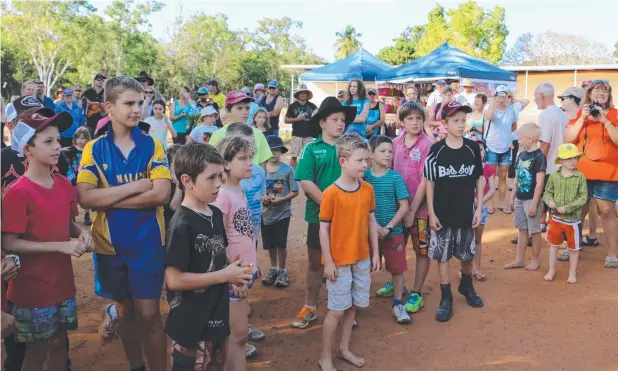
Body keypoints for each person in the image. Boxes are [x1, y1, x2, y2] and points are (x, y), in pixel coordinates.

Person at [77, 76, 171, 371]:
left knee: (149, 315)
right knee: (124, 314)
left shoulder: (153, 145)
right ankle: (136, 367)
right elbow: (85, 198)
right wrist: (136, 186)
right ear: (109, 107)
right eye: (129, 103)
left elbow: (161, 195)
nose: (137, 110)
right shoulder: (93, 149)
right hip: (108, 248)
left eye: (140, 103)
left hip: (148, 246)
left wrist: (108, 199)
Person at [1, 105, 93, 371]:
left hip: (62, 283)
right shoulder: (18, 193)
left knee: (58, 343)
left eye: (58, 140)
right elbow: (9, 242)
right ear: (27, 149)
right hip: (32, 288)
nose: (57, 147)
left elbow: (66, 223)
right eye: (48, 141)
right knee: (35, 351)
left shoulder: (63, 183)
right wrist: (62, 246)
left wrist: (81, 232)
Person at [164, 142, 253, 370]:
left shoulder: (214, 212)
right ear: (187, 181)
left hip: (216, 317)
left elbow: (217, 256)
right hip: (191, 327)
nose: (218, 185)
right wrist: (225, 275)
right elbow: (174, 280)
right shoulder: (181, 225)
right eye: (211, 178)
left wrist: (235, 272)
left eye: (220, 177)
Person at [292, 97, 356, 329]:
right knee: (315, 263)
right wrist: (330, 205)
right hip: (319, 217)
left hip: (350, 217)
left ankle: (344, 308)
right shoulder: (312, 149)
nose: (340, 124)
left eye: (343, 120)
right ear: (322, 123)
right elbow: (305, 181)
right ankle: (310, 306)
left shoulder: (351, 148)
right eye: (335, 120)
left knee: (347, 261)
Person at [318, 133, 380, 371]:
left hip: (361, 258)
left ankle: (344, 349)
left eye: (366, 160)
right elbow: (323, 230)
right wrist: (329, 262)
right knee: (336, 310)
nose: (365, 164)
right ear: (343, 161)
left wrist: (375, 252)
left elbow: (372, 221)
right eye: (360, 160)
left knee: (353, 306)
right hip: (339, 262)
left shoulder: (367, 190)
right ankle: (325, 356)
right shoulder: (330, 193)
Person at [423, 100, 484, 322]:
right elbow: (429, 182)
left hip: (466, 211)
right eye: (455, 120)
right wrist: (431, 212)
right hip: (442, 213)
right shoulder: (436, 150)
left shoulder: (472, 148)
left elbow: (479, 177)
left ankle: (467, 285)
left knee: (467, 254)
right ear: (445, 123)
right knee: (443, 255)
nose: (460, 124)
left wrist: (479, 208)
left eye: (463, 120)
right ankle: (445, 296)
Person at [213, 136, 260, 368]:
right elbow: (219, 240)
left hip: (242, 274)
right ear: (226, 164)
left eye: (250, 157)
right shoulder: (223, 196)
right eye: (242, 158)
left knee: (237, 336)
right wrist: (234, 276)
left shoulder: (238, 189)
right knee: (238, 335)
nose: (249, 163)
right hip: (234, 277)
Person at [565, 80, 618, 268]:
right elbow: (569, 139)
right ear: (590, 94)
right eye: (597, 90)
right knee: (578, 209)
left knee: (608, 212)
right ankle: (572, 245)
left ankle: (613, 253)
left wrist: (605, 120)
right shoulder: (581, 114)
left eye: (605, 91)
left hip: (608, 172)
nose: (601, 93)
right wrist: (581, 119)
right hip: (582, 171)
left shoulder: (614, 114)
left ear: (609, 95)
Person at [388, 101, 433, 314]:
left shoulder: (428, 145)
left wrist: (413, 209)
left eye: (418, 118)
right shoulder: (395, 143)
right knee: (396, 246)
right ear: (402, 121)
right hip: (396, 208)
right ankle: (398, 282)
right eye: (410, 118)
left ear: (424, 120)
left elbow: (426, 180)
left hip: (420, 209)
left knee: (421, 249)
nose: (415, 123)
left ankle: (416, 291)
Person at [365, 135, 410, 324]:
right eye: (382, 151)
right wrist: (374, 227)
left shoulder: (395, 177)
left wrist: (389, 226)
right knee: (362, 268)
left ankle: (398, 304)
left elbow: (404, 206)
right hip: (369, 232)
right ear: (371, 153)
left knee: (397, 269)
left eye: (390, 151)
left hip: (394, 233)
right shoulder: (364, 176)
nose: (388, 155)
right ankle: (356, 305)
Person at [559, 86, 600, 246]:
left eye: (563, 98)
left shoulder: (585, 116)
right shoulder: (564, 115)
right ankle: (572, 238)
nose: (561, 101)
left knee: (591, 202)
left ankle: (589, 234)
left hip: (583, 164)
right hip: (567, 164)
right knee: (576, 202)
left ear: (572, 99)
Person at [503, 123, 546, 271]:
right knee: (522, 229)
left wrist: (534, 203)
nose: (518, 140)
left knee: (534, 231)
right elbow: (516, 178)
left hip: (531, 199)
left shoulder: (539, 157)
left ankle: (535, 260)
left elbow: (540, 184)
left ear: (530, 138)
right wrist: (512, 196)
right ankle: (519, 260)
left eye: (520, 138)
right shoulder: (521, 154)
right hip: (520, 198)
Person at [543, 143, 588, 283]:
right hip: (555, 218)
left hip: (573, 220)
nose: (573, 160)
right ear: (561, 160)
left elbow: (583, 197)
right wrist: (549, 201)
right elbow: (547, 192)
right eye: (569, 158)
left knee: (574, 248)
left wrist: (568, 207)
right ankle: (551, 269)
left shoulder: (580, 177)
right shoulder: (554, 176)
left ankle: (572, 272)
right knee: (554, 245)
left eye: (575, 157)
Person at [261, 135, 299, 288]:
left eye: (277, 151)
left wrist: (282, 199)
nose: (274, 154)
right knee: (270, 244)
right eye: (271, 151)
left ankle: (282, 270)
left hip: (283, 213)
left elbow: (295, 191)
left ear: (281, 152)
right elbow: (256, 190)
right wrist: (262, 197)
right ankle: (273, 268)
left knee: (281, 244)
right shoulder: (260, 170)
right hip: (265, 215)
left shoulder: (288, 170)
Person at [208, 90, 273, 167]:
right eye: (239, 108)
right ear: (227, 111)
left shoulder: (258, 133)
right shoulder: (218, 135)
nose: (245, 112)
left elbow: (263, 164)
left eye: (247, 108)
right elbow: (213, 164)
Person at [535, 83, 568, 229]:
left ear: (541, 96)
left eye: (536, 96)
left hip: (549, 164)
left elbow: (545, 143)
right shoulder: (562, 112)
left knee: (543, 195)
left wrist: (537, 165)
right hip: (562, 164)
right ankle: (550, 224)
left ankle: (540, 224)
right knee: (555, 198)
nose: (535, 100)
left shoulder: (547, 114)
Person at [484, 85, 519, 214]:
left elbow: (514, 125)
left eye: (504, 96)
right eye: (499, 96)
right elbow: (489, 117)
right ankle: (490, 203)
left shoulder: (511, 110)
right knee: (490, 176)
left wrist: (505, 135)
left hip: (506, 147)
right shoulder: (490, 107)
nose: (501, 99)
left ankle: (502, 203)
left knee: (503, 176)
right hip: (492, 146)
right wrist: (493, 100)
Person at [470, 138, 496, 280]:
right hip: (466, 208)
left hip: (481, 208)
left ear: (484, 151)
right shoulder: (465, 168)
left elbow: (492, 189)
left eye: (480, 149)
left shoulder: (488, 168)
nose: (478, 152)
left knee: (477, 240)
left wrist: (480, 201)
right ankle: (466, 269)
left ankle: (476, 268)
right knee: (466, 240)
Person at [63, 126, 93, 225]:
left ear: (87, 139)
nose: (80, 140)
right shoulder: (70, 150)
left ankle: (87, 215)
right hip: (73, 178)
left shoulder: (89, 150)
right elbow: (62, 152)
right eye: (78, 138)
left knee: (86, 197)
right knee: (73, 198)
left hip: (85, 177)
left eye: (82, 138)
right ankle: (73, 216)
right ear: (75, 139)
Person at [285, 84, 318, 168]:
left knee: (309, 157)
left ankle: (307, 175)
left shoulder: (313, 106)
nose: (303, 94)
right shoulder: (292, 106)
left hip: (309, 135)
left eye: (304, 93)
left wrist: (310, 120)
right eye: (301, 93)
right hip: (296, 135)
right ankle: (291, 175)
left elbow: (318, 119)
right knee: (294, 156)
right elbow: (286, 120)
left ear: (307, 95)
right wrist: (297, 119)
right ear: (298, 94)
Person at [82, 73, 106, 138]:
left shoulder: (106, 93)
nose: (101, 81)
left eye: (102, 80)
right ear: (94, 81)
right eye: (99, 79)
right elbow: (81, 106)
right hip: (89, 124)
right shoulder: (87, 93)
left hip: (103, 125)